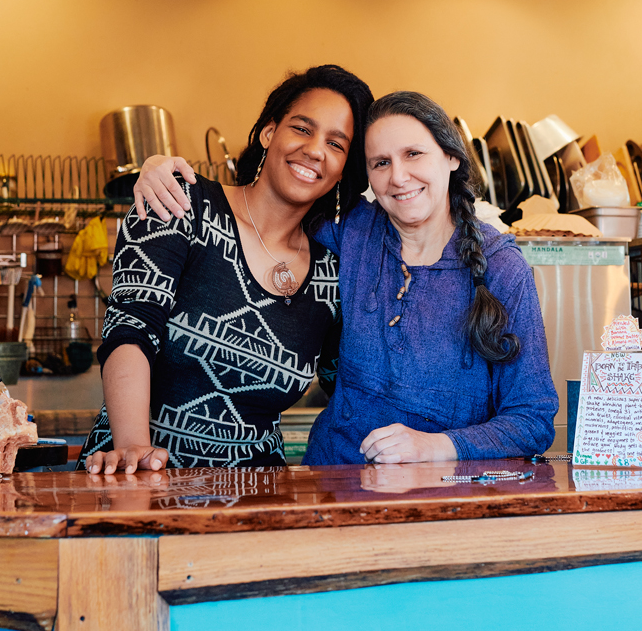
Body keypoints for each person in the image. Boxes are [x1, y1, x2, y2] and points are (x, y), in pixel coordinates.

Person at [135, 91, 558, 465]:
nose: (398, 177)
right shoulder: (353, 230)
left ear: (451, 157)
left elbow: (532, 419)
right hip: (331, 485)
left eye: (414, 154)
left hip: (439, 503)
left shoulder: (502, 267)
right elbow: (269, 204)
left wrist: (436, 446)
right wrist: (158, 169)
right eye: (380, 163)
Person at [80, 65, 374, 475]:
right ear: (269, 132)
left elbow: (354, 383)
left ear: (344, 168)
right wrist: (134, 449)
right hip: (135, 481)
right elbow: (131, 328)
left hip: (259, 499)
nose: (315, 150)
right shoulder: (182, 203)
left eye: (336, 144)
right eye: (302, 129)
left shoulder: (332, 271)